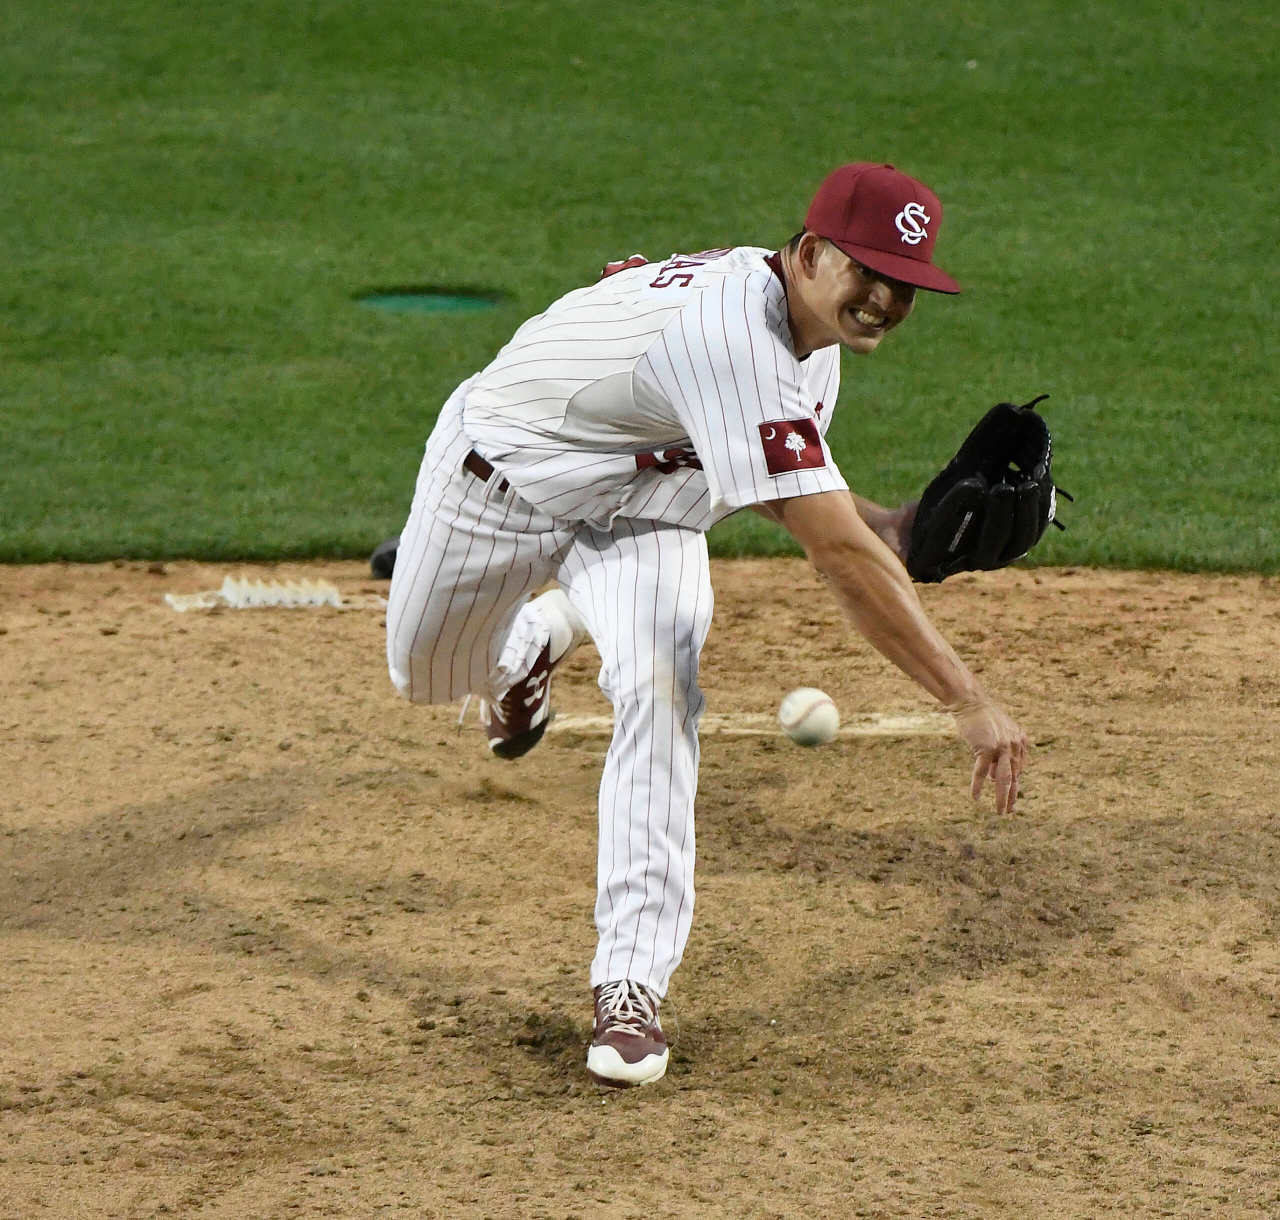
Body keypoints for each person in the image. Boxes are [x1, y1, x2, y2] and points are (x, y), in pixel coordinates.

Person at [385, 163, 1029, 1089]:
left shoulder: (812, 342)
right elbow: (835, 556)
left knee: (662, 690)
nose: (886, 300)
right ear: (810, 254)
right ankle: (528, 648)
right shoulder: (732, 336)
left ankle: (630, 986)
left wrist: (885, 525)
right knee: (427, 678)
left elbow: (754, 472)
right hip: (500, 484)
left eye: (906, 283)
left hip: (646, 508)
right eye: (868, 271)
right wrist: (966, 699)